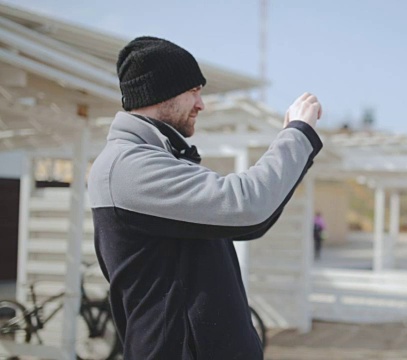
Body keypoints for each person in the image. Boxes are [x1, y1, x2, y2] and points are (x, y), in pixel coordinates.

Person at [88, 36, 323, 359]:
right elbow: (248, 207)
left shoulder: (154, 159)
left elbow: (251, 212)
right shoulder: (129, 166)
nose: (202, 104)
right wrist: (298, 134)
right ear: (161, 92)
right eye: (194, 91)